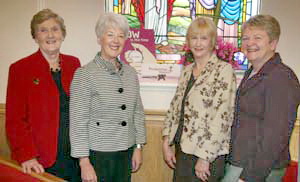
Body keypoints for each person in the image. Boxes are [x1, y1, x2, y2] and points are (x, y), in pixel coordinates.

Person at [5, 9, 81, 181]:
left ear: (62, 34)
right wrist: (27, 155)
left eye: (55, 29)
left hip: (74, 157)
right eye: (43, 30)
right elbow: (15, 120)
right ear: (35, 36)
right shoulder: (20, 69)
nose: (50, 35)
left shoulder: (74, 64)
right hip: (39, 160)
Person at [70, 12, 146, 182]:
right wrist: (84, 162)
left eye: (121, 36)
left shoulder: (131, 74)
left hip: (126, 152)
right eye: (110, 34)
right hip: (98, 155)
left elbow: (137, 112)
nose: (116, 40)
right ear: (99, 38)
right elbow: (78, 121)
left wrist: (138, 147)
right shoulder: (85, 74)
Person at [223, 14, 300, 182]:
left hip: (257, 168)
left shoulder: (282, 78)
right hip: (240, 160)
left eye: (257, 37)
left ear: (273, 43)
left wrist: (248, 177)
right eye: (245, 38)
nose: (250, 43)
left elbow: (275, 135)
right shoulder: (252, 72)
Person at [162, 16, 237, 182]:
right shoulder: (187, 71)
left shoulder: (224, 70)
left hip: (207, 155)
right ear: (188, 41)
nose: (198, 43)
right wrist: (166, 142)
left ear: (212, 42)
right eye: (194, 38)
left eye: (204, 38)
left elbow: (223, 117)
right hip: (183, 150)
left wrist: (205, 157)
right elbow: (174, 108)